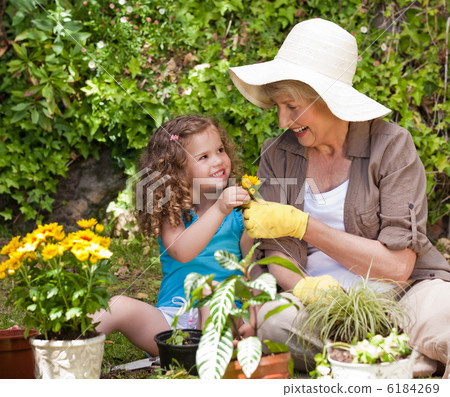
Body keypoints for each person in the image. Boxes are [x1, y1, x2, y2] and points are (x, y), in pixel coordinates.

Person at [228, 18, 450, 377]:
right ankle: (400, 358)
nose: (283, 121)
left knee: (445, 312)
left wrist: (305, 226)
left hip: (401, 297)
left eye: (291, 105)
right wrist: (308, 290)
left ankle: (371, 356)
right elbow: (272, 252)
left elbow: (397, 268)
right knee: (271, 322)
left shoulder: (391, 147)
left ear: (329, 99)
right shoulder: (278, 155)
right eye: (278, 107)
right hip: (318, 310)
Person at [93, 115, 253, 356]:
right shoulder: (174, 212)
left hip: (224, 315)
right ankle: (61, 347)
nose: (218, 160)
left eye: (220, 149)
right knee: (117, 305)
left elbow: (252, 271)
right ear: (177, 170)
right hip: (170, 323)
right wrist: (220, 208)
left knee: (215, 297)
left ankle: (207, 360)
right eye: (204, 157)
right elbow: (181, 251)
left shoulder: (240, 215)